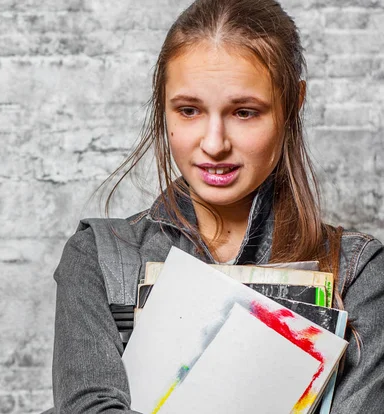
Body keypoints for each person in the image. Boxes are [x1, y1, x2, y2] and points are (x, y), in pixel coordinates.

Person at [49, 0, 384, 413]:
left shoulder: (361, 272)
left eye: (244, 112)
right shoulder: (96, 258)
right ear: (162, 104)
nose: (213, 143)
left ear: (293, 103)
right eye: (189, 110)